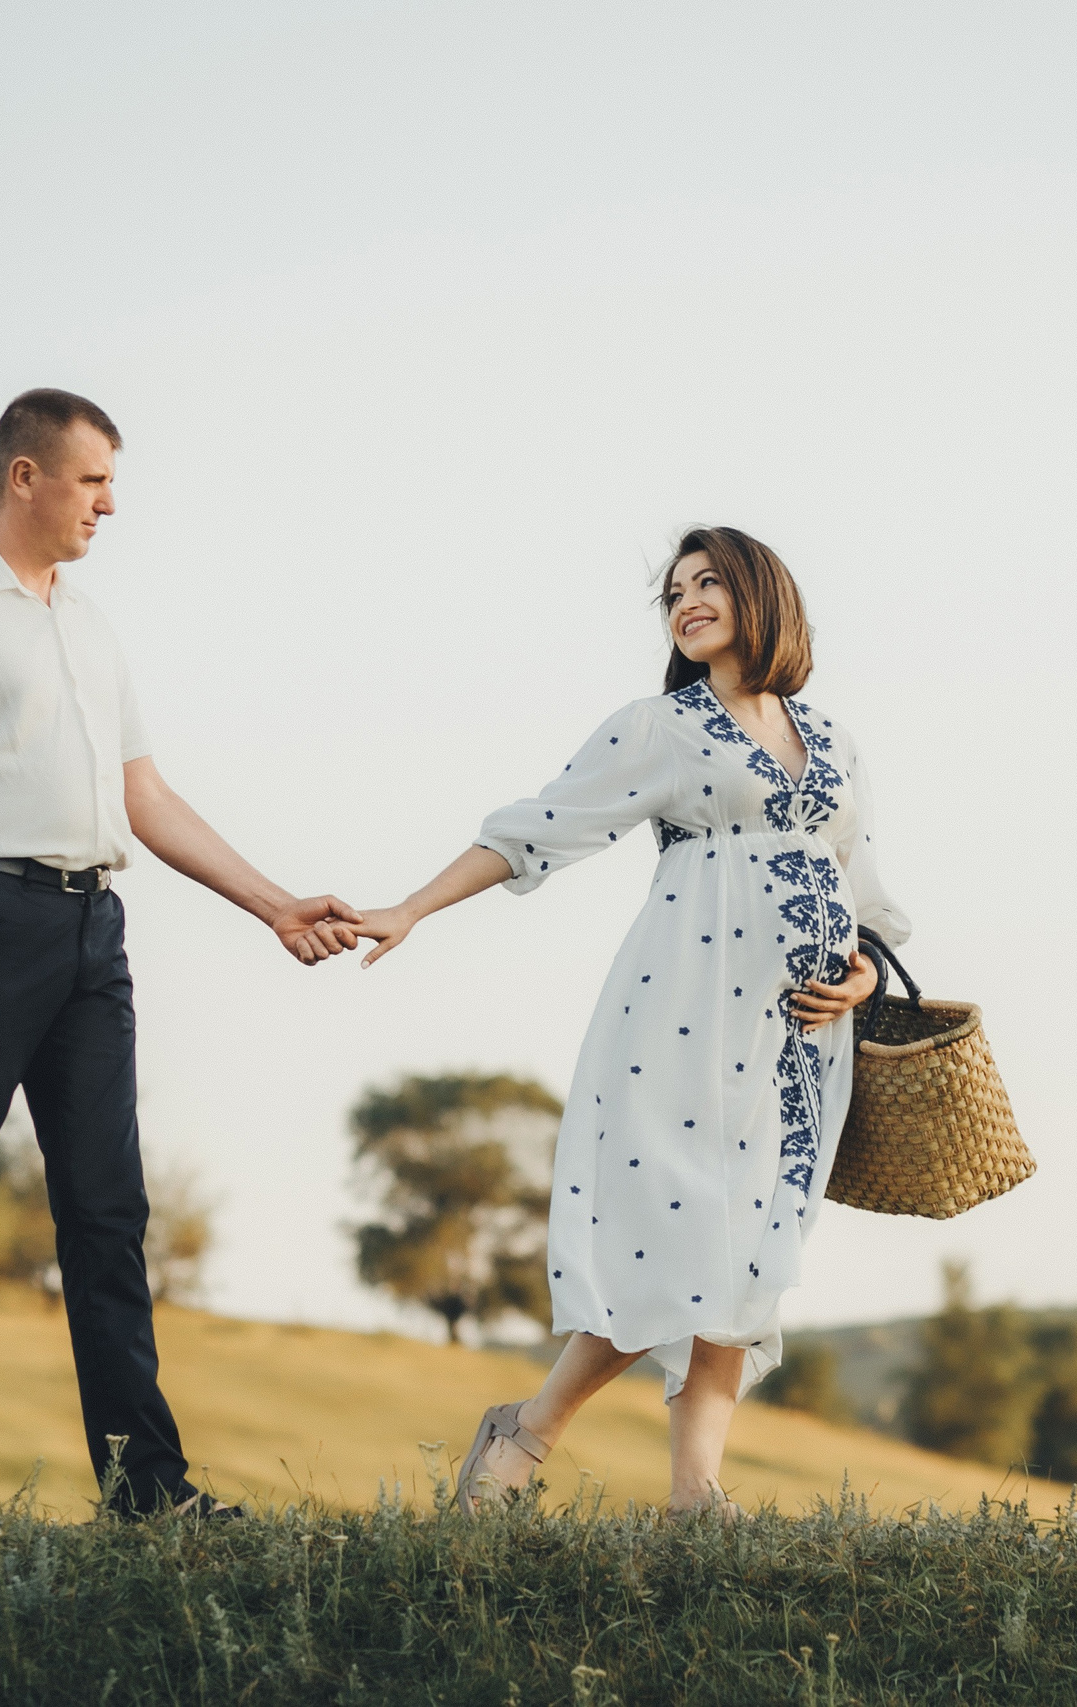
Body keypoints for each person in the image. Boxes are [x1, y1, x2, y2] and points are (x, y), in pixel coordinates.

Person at [0, 388, 361, 1538]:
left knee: (108, 1219)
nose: (109, 505)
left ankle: (144, 1495)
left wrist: (273, 904)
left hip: (92, 935)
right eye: (92, 482)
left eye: (112, 483)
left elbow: (145, 797)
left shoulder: (90, 624)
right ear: (24, 477)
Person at [349, 526, 909, 1516]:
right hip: (688, 1013)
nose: (685, 602)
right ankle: (524, 1437)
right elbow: (536, 826)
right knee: (678, 1237)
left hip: (805, 1039)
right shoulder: (660, 726)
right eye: (674, 592)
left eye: (708, 584)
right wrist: (409, 909)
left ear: (761, 598)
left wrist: (864, 977)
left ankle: (695, 1491)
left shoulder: (833, 738)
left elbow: (859, 884)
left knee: (752, 1251)